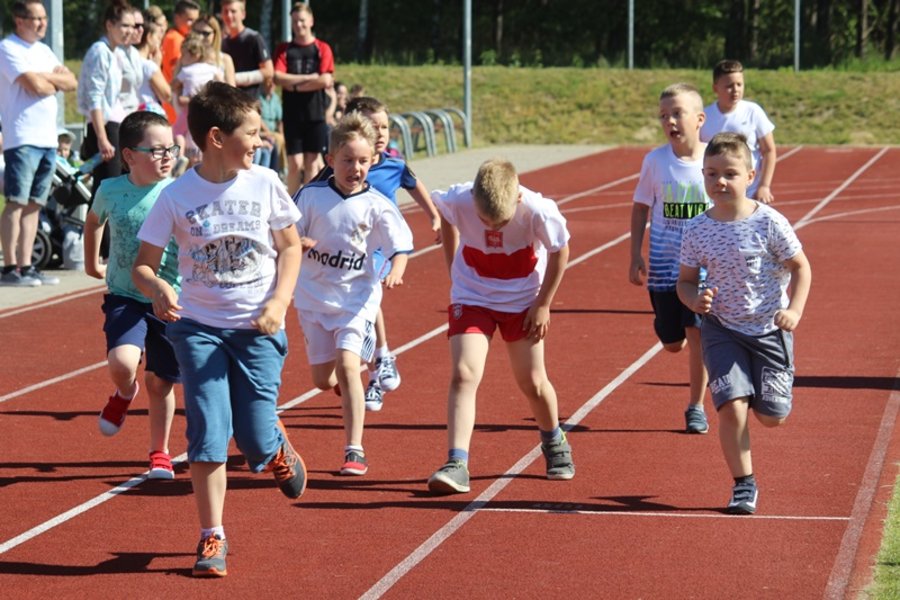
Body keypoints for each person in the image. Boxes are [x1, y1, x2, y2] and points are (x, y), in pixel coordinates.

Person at [132, 81, 306, 577]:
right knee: (207, 432)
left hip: (258, 326)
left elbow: (290, 248)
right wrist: (160, 290)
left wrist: (279, 301)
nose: (260, 140)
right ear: (215, 136)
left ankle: (273, 443)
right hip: (198, 329)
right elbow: (143, 267)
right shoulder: (176, 196)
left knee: (252, 437)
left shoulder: (266, 182)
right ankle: (212, 536)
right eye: (251, 132)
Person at [677, 132, 811, 514]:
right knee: (731, 409)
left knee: (772, 418)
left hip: (770, 330)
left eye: (729, 174)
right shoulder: (697, 229)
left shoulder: (769, 223)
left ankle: (760, 388)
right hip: (722, 329)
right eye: (711, 173)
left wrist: (795, 311)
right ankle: (743, 486)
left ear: (750, 176)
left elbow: (801, 268)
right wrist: (693, 299)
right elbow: (685, 281)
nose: (719, 182)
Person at [426, 158, 575, 495]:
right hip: (472, 294)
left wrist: (543, 304)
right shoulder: (461, 198)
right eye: (482, 220)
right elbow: (447, 218)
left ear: (517, 199)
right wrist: (453, 270)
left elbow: (560, 251)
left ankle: (554, 440)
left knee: (532, 382)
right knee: (464, 373)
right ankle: (457, 462)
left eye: (501, 221)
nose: (491, 227)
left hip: (522, 301)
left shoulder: (537, 210)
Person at [292, 112, 413, 476]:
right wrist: (297, 241)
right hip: (313, 298)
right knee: (322, 380)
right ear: (330, 160)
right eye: (347, 160)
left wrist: (396, 270)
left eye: (363, 161)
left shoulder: (377, 203)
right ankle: (349, 389)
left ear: (373, 162)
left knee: (348, 367)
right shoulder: (311, 196)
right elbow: (285, 234)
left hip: (356, 300)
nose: (355, 168)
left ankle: (354, 448)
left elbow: (400, 246)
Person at [310, 96, 441, 411]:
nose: (381, 133)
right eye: (374, 126)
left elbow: (415, 185)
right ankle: (376, 362)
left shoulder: (394, 164)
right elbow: (310, 194)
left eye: (385, 126)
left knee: (369, 293)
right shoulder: (342, 165)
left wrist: (434, 215)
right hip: (347, 246)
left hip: (379, 245)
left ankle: (380, 359)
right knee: (362, 301)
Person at [83, 110, 182, 479]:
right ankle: (124, 393)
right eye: (155, 150)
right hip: (126, 295)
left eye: (170, 147)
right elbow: (94, 221)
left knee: (161, 381)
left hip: (169, 300)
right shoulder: (110, 190)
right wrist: (91, 262)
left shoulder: (178, 192)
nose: (166, 155)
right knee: (123, 363)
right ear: (128, 155)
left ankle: (160, 452)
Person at [629, 82, 711, 435]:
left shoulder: (715, 160)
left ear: (699, 119)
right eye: (664, 115)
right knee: (672, 342)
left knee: (698, 335)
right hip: (664, 270)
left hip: (704, 269)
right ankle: (665, 328)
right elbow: (640, 206)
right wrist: (634, 253)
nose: (670, 121)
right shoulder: (655, 161)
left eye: (677, 113)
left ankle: (696, 407)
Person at [0, 0, 77, 287]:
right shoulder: (8, 48)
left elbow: (70, 81)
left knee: (35, 205)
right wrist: (49, 79)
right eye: (36, 18)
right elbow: (37, 87)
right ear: (20, 20)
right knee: (16, 202)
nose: (43, 23)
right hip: (22, 137)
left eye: (45, 18)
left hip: (48, 138)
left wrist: (46, 77)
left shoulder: (43, 51)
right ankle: (9, 267)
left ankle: (26, 265)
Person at [76, 0, 140, 201]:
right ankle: (97, 233)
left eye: (132, 26)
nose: (129, 31)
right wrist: (102, 138)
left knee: (115, 189)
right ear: (110, 25)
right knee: (107, 192)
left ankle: (109, 233)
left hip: (115, 125)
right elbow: (94, 97)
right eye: (124, 26)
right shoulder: (100, 51)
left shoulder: (115, 52)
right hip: (104, 127)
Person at [273, 2, 334, 193]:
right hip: (292, 115)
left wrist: (294, 85)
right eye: (294, 22)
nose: (298, 25)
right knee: (294, 164)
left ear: (311, 21)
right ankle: (291, 204)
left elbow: (325, 79)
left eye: (302, 21)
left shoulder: (321, 48)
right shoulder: (285, 49)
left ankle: (307, 205)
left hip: (315, 114)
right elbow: (278, 77)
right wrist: (308, 78)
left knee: (311, 163)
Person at [700, 59, 777, 205]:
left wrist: (764, 186)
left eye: (739, 84)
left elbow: (768, 150)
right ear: (715, 88)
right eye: (729, 86)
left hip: (749, 191)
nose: (735, 90)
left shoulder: (753, 111)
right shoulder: (704, 117)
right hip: (715, 192)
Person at [171, 33, 224, 164]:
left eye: (184, 55)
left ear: (194, 55)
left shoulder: (186, 71)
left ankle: (178, 157)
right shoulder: (213, 69)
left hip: (189, 108)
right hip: (208, 110)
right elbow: (222, 85)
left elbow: (173, 85)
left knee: (177, 132)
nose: (181, 59)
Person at [221, 0, 273, 100]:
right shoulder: (222, 43)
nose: (229, 15)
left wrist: (235, 78)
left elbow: (269, 71)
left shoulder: (253, 38)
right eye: (225, 11)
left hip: (249, 103)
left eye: (233, 11)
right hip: (228, 103)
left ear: (243, 14)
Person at [159, 0, 199, 123]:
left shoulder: (179, 38)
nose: (193, 25)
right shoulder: (175, 40)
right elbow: (177, 72)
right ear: (177, 18)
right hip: (175, 105)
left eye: (196, 20)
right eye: (189, 20)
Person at [135, 17, 171, 117]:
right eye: (158, 38)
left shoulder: (129, 60)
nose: (160, 43)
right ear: (149, 37)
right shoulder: (149, 65)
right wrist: (157, 66)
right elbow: (167, 95)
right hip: (149, 116)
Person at [192, 13, 236, 86]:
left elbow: (233, 94)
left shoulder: (225, 59)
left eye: (205, 33)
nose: (200, 37)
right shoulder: (185, 58)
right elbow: (174, 88)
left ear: (215, 34)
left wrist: (221, 83)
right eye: (196, 32)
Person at [255, 75, 285, 173]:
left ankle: (282, 170)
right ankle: (282, 170)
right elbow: (258, 118)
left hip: (273, 130)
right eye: (269, 83)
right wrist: (268, 132)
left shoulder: (276, 99)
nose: (272, 86)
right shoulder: (258, 98)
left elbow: (279, 120)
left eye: (273, 84)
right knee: (278, 140)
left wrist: (282, 133)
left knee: (282, 139)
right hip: (263, 130)